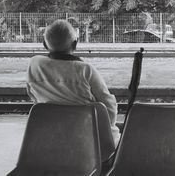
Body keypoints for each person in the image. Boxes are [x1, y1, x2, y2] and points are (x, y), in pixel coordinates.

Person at [26, 19, 120, 147]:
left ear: (45, 44)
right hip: (89, 142)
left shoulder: (34, 65)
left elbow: (32, 95)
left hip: (53, 138)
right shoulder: (85, 70)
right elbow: (109, 107)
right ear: (75, 44)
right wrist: (109, 126)